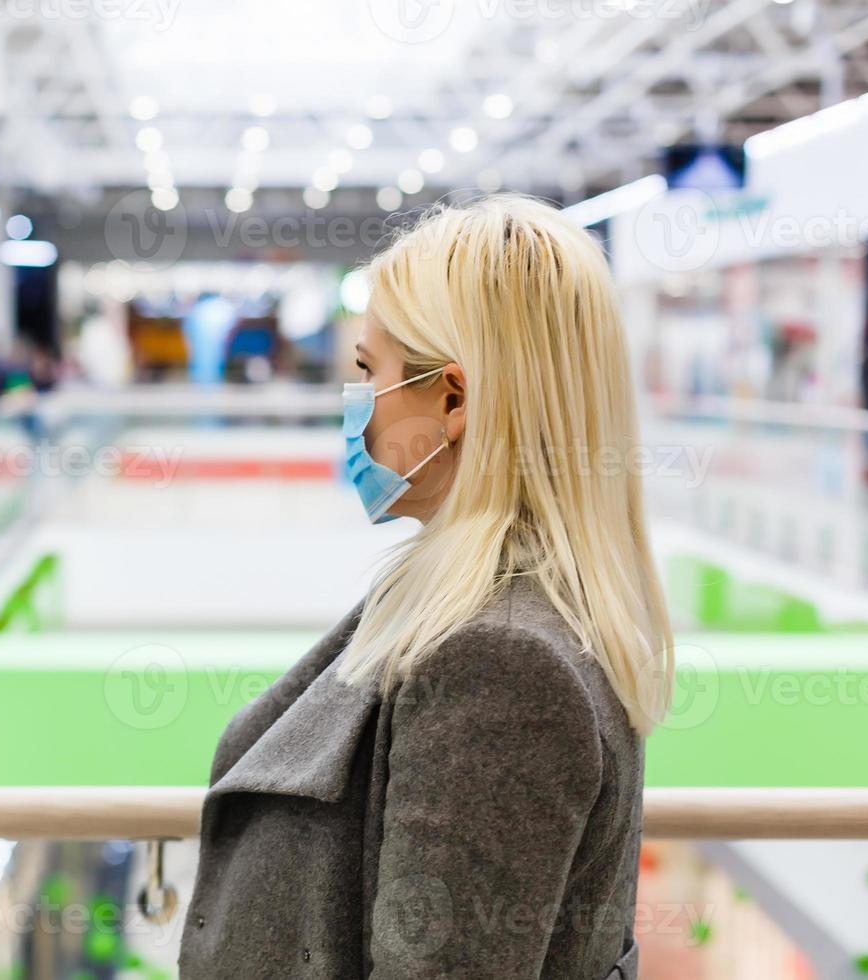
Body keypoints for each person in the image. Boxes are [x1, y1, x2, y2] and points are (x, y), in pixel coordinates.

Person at [178, 196, 674, 979]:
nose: (356, 403)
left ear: (454, 400)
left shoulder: (499, 661)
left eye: (368, 370)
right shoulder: (477, 602)